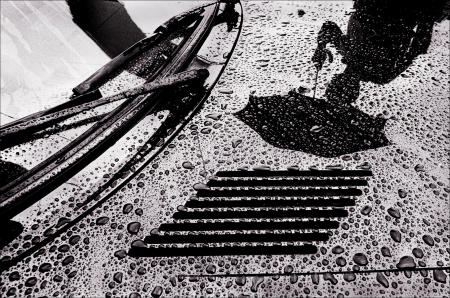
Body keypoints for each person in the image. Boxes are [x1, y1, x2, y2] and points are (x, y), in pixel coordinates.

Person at [312, 0, 448, 105]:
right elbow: (416, 49)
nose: (342, 83)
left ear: (335, 79)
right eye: (344, 89)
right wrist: (428, 16)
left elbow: (329, 27)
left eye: (337, 86)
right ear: (355, 90)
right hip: (404, 10)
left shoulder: (347, 51)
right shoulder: (381, 74)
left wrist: (321, 46)